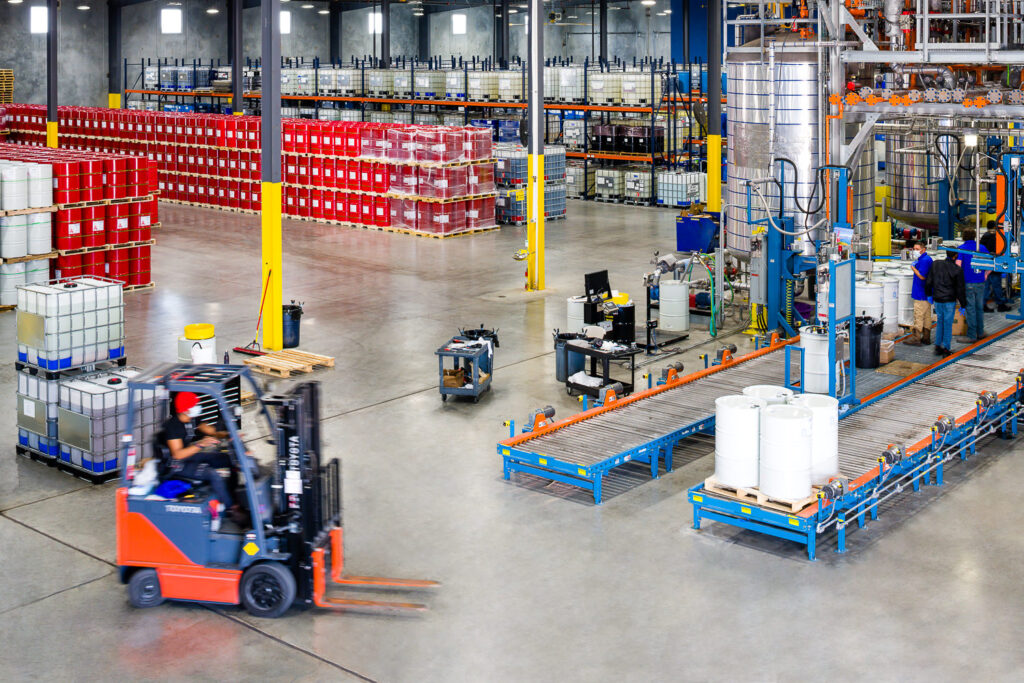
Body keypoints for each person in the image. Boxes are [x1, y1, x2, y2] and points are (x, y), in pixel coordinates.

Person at [158, 391, 243, 525]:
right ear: (185, 410)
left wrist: (230, 435)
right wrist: (200, 444)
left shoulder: (192, 419)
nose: (198, 406)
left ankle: (233, 494)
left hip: (189, 456)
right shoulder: (173, 426)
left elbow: (212, 431)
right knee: (213, 474)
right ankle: (231, 509)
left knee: (227, 459)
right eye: (195, 405)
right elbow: (178, 454)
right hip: (176, 465)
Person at [926, 250, 967, 357]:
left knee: (940, 322)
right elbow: (960, 289)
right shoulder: (957, 270)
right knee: (948, 325)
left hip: (937, 299)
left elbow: (929, 281)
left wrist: (929, 294)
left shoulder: (936, 264)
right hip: (949, 300)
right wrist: (963, 304)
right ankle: (946, 349)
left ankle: (937, 347)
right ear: (955, 256)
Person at [956, 228, 989, 341]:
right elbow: (991, 264)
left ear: (963, 236)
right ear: (975, 236)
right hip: (980, 281)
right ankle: (980, 332)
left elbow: (958, 265)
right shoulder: (982, 248)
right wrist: (985, 275)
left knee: (970, 309)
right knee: (979, 307)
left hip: (968, 282)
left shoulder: (961, 248)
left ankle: (971, 335)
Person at [905, 240, 933, 346]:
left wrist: (913, 268)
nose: (915, 251)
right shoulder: (926, 259)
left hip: (921, 293)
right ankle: (926, 337)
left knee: (918, 315)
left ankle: (916, 338)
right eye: (914, 249)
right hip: (926, 293)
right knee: (927, 316)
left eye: (917, 249)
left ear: (923, 249)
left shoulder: (924, 260)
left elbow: (922, 276)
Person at [980, 221, 1011, 312]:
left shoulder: (984, 236)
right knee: (997, 286)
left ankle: (983, 304)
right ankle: (1000, 304)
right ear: (995, 227)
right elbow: (998, 251)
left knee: (986, 286)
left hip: (985, 265)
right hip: (994, 265)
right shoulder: (994, 237)